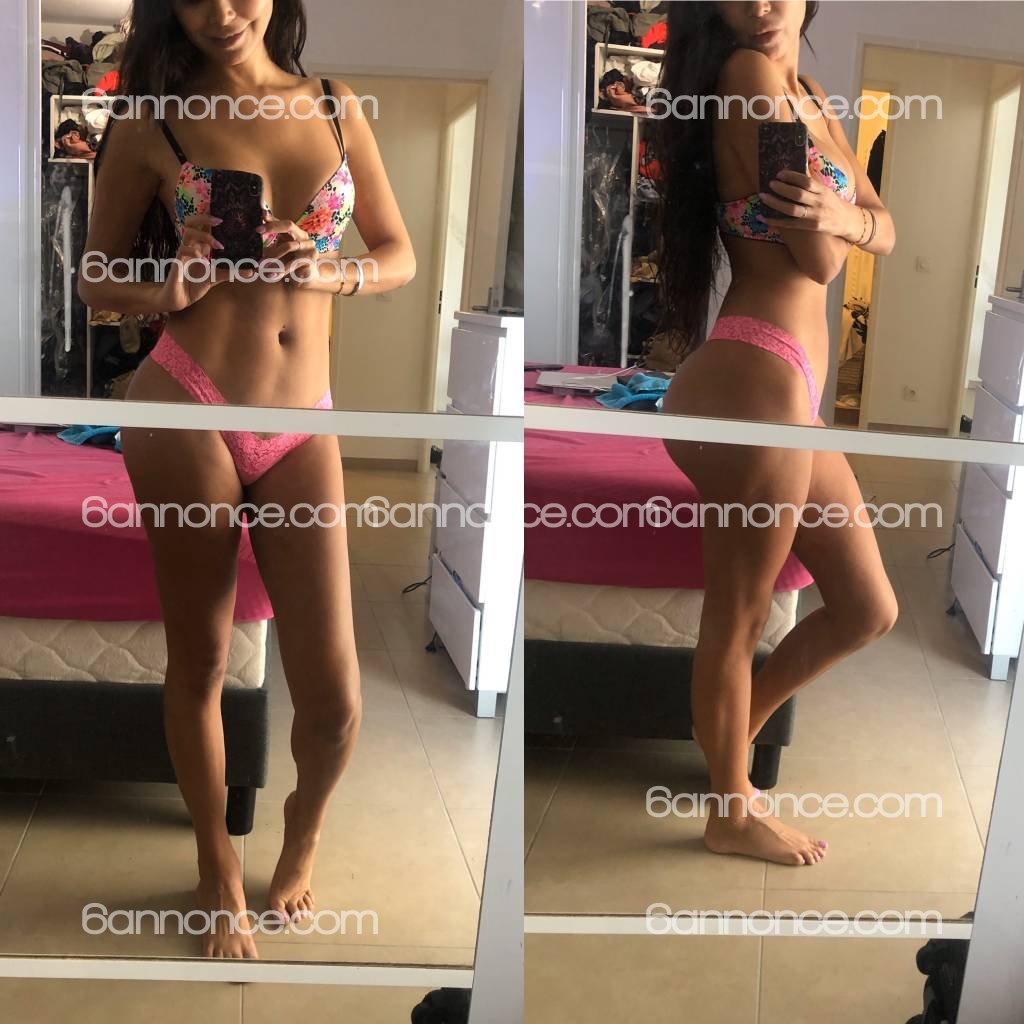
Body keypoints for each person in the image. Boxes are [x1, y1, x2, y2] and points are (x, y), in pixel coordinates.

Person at [79, 0, 415, 957]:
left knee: (337, 699)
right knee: (200, 661)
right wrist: (167, 289)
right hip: (188, 404)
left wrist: (333, 273)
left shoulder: (338, 104)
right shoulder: (153, 119)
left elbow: (398, 253)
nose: (221, 12)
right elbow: (96, 276)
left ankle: (301, 832)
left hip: (303, 420)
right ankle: (216, 863)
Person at [654, 1, 897, 866]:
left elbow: (881, 223)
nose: (758, 6)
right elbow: (822, 261)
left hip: (786, 388)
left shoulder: (815, 96)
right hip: (752, 377)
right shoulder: (750, 78)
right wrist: (845, 221)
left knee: (868, 608)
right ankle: (729, 810)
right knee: (741, 613)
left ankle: (729, 741)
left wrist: (845, 215)